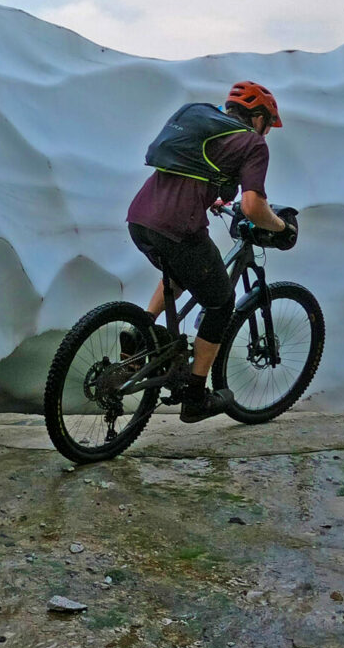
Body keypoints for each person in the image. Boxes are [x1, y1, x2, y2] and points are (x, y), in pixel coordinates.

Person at [125, 80, 296, 422]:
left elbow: (194, 168)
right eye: (268, 125)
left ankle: (140, 331)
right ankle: (195, 396)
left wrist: (215, 198)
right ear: (259, 117)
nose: (266, 134)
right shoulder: (252, 143)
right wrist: (281, 227)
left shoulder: (202, 120)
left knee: (183, 270)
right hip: (178, 226)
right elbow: (252, 206)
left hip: (140, 218)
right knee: (221, 303)